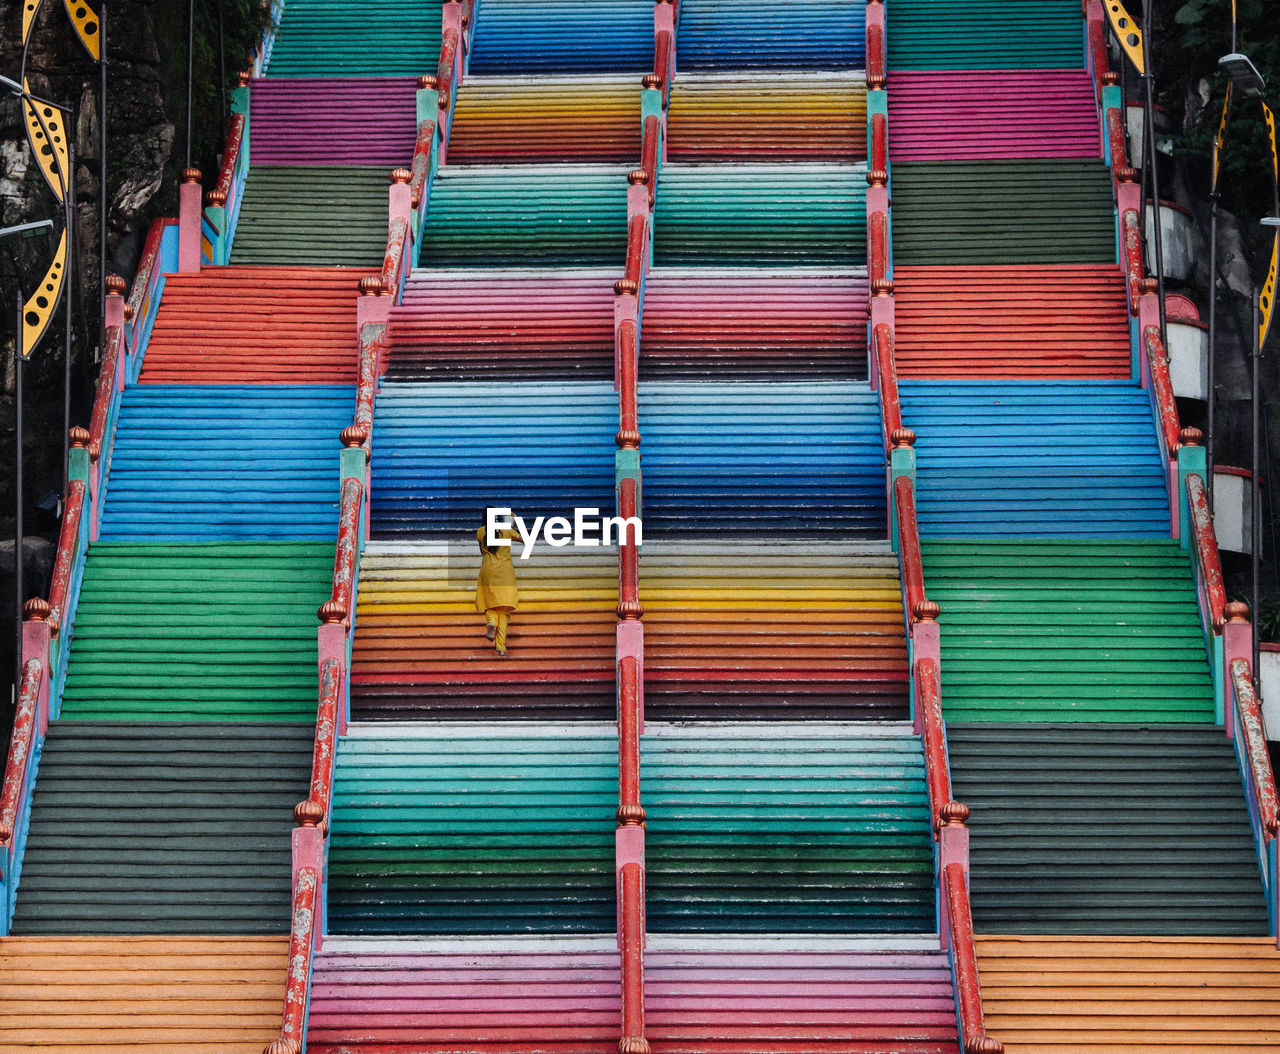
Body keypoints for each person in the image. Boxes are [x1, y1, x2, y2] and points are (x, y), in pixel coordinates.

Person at [475, 510, 519, 656]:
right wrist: (513, 520)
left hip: (488, 571)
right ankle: (501, 648)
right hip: (505, 573)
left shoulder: (480, 532)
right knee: (503, 611)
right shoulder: (507, 530)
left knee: (489, 603)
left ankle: (491, 622)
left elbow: (482, 552)